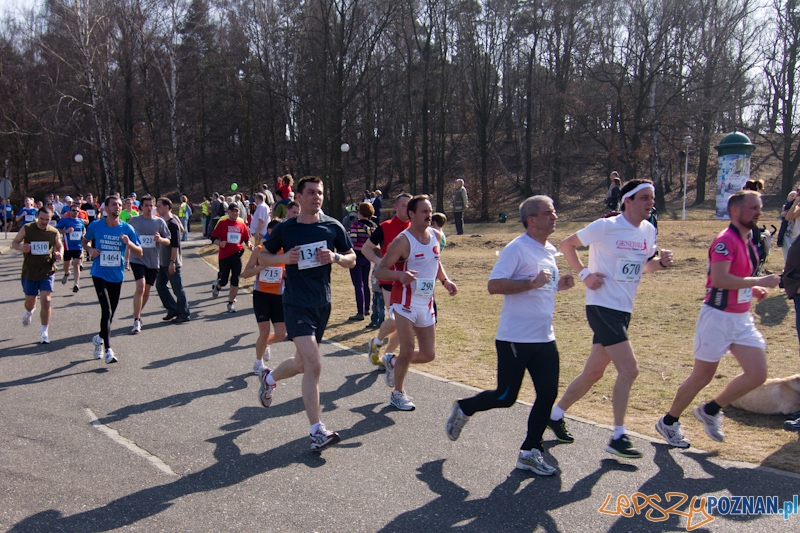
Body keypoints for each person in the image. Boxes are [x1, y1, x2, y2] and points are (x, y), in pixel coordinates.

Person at [446, 195, 575, 475]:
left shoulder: (549, 249)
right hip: (515, 338)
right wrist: (532, 282)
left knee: (547, 394)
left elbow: (543, 287)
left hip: (544, 337)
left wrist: (558, 286)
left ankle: (529, 451)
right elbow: (494, 286)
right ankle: (465, 407)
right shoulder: (516, 248)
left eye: (554, 212)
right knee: (506, 396)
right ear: (532, 219)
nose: (555, 217)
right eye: (548, 213)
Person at [550, 179, 674, 459]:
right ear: (627, 201)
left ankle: (555, 416)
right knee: (630, 370)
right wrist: (584, 274)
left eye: (651, 198)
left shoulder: (648, 230)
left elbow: (644, 267)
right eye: (644, 198)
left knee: (593, 373)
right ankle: (618, 436)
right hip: (601, 306)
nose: (650, 203)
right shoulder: (606, 226)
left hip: (623, 309)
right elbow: (567, 244)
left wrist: (662, 263)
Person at [655, 190, 780, 448]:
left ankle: (710, 410)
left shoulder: (748, 240)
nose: (758, 212)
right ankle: (668, 422)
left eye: (759, 207)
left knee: (757, 374)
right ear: (735, 211)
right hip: (717, 318)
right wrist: (759, 280)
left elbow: (735, 278)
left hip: (742, 319)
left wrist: (752, 289)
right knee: (702, 376)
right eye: (753, 208)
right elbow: (720, 279)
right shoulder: (725, 240)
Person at [257, 176, 356, 451]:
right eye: (310, 193)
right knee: (314, 364)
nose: (316, 197)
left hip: (322, 304)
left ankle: (269, 378)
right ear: (298, 197)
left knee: (302, 364)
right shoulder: (287, 230)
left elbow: (352, 259)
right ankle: (316, 432)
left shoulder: (333, 226)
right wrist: (283, 259)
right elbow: (262, 257)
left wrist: (335, 258)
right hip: (295, 303)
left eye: (320, 193)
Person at [375, 195, 457, 411]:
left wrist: (445, 281)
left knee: (429, 354)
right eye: (424, 211)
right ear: (411, 214)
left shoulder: (436, 236)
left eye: (430, 211)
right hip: (403, 301)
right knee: (409, 349)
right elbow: (380, 270)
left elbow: (436, 262)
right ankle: (397, 393)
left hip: (426, 301)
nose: (429, 215)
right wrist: (400, 276)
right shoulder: (402, 241)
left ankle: (393, 362)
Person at [83, 196, 143, 363]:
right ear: (106, 208)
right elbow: (85, 240)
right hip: (99, 273)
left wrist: (129, 244)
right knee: (106, 310)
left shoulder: (128, 228)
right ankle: (108, 350)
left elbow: (140, 252)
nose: (117, 207)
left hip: (117, 276)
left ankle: (99, 339)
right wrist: (90, 249)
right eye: (113, 205)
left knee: (110, 315)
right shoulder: (96, 226)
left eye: (119, 205)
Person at [363, 193, 412, 366]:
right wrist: (380, 262)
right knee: (398, 318)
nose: (407, 209)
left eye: (410, 205)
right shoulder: (385, 227)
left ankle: (387, 355)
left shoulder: (416, 228)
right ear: (396, 208)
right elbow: (366, 248)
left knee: (406, 322)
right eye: (404, 205)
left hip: (410, 282)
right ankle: (377, 341)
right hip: (390, 279)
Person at [241, 219, 286, 376]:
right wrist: (261, 267)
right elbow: (245, 274)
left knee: (281, 334)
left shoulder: (285, 253)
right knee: (264, 331)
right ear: (269, 232)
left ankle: (266, 343)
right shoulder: (259, 250)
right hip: (262, 295)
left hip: (279, 296)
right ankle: (258, 362)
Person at [12, 206, 63, 344]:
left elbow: (59, 246)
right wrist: (22, 247)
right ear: (37, 217)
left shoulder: (53, 232)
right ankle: (29, 311)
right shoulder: (28, 228)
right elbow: (14, 243)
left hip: (47, 270)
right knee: (30, 303)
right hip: (30, 270)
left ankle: (44, 332)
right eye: (42, 219)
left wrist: (60, 254)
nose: (44, 222)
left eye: (47, 220)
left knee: (46, 300)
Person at [128, 195, 171, 333]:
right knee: (140, 287)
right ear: (141, 207)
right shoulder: (134, 221)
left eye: (151, 205)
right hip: (137, 259)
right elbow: (128, 237)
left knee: (146, 291)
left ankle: (137, 314)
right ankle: (136, 320)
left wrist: (161, 239)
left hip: (153, 261)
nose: (148, 208)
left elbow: (169, 240)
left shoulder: (159, 222)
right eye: (146, 205)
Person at [210, 203, 254, 313]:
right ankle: (218, 286)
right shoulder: (223, 223)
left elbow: (246, 238)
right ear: (228, 212)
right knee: (224, 280)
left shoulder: (241, 223)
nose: (235, 213)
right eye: (232, 211)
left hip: (237, 254)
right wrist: (220, 243)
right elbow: (213, 237)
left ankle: (230, 303)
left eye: (236, 211)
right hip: (224, 255)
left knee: (235, 279)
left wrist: (249, 244)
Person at [155, 197, 191, 323]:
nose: (157, 208)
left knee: (178, 289)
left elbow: (175, 245)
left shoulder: (172, 224)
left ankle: (184, 313)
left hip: (171, 262)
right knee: (160, 286)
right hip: (163, 262)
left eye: (159, 206)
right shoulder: (162, 223)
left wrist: (172, 262)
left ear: (166, 207)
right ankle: (173, 308)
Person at [348, 202, 377, 321]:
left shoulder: (356, 224)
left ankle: (359, 312)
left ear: (360, 212)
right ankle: (366, 309)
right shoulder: (374, 226)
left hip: (357, 256)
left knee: (357, 285)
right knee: (366, 284)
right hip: (368, 257)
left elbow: (353, 240)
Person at [56, 202, 85, 293]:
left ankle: (76, 284)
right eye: (73, 210)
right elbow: (57, 230)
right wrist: (66, 231)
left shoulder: (80, 221)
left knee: (76, 264)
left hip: (78, 246)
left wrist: (83, 234)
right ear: (70, 211)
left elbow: (83, 229)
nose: (75, 212)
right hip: (67, 247)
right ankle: (66, 273)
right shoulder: (64, 220)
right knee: (66, 264)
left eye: (77, 211)